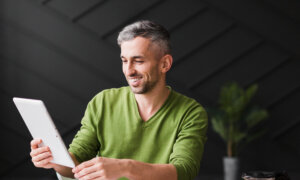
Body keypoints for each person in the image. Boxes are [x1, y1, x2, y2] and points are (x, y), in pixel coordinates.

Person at [30, 20, 208, 180]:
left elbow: (184, 171)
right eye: (124, 61)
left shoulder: (190, 112)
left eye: (138, 61)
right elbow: (76, 162)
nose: (129, 71)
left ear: (165, 64)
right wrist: (54, 161)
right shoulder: (103, 102)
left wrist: (126, 167)